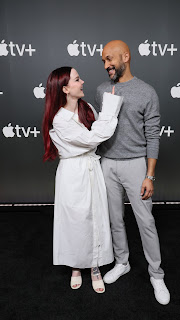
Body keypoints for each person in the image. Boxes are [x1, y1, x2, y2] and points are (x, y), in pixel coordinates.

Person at [94, 40, 170, 304]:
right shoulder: (102, 90)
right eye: (103, 61)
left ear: (125, 56)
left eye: (110, 59)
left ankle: (156, 275)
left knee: (146, 222)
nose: (106, 65)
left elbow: (152, 136)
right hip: (107, 164)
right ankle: (122, 262)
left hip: (136, 164)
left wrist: (149, 175)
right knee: (115, 219)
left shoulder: (146, 92)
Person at [42, 66, 123, 294]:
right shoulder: (60, 120)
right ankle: (76, 266)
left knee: (96, 216)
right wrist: (110, 107)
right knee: (75, 220)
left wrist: (105, 113)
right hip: (72, 173)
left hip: (91, 168)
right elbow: (94, 137)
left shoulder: (86, 108)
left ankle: (94, 265)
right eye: (78, 80)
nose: (82, 82)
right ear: (66, 88)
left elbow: (99, 130)